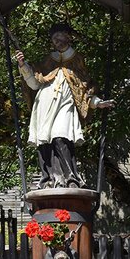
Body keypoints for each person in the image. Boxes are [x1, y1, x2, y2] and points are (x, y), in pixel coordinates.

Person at [13, 23, 112, 189]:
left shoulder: (78, 60)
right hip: (44, 105)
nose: (57, 41)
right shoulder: (46, 62)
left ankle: (71, 178)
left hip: (65, 105)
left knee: (61, 137)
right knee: (44, 141)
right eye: (54, 38)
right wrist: (23, 66)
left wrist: (98, 103)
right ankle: (49, 179)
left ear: (69, 38)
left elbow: (84, 89)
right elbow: (34, 84)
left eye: (60, 37)